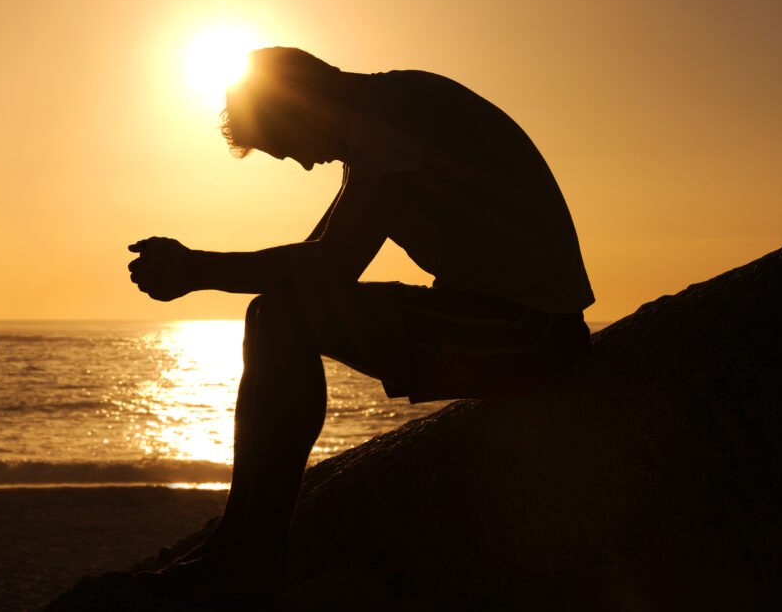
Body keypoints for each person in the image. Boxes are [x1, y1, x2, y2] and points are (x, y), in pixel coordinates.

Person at [127, 47, 594, 602]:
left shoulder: (393, 111)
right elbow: (317, 262)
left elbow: (331, 267)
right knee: (274, 312)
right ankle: (239, 542)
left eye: (287, 145)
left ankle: (249, 555)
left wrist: (196, 268)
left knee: (279, 316)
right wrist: (198, 268)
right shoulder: (384, 117)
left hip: (529, 332)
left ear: (303, 104)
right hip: (508, 322)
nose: (302, 163)